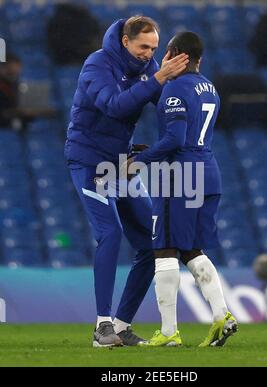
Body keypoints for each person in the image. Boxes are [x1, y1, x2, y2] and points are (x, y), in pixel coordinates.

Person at [64, 16, 189, 347]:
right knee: (110, 232)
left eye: (154, 48)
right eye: (143, 46)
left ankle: (119, 326)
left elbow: (161, 103)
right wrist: (160, 77)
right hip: (89, 161)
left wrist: (187, 88)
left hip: (120, 163)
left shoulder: (146, 69)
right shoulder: (97, 64)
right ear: (125, 41)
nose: (149, 53)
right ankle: (101, 326)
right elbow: (114, 106)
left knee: (153, 243)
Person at [125, 31, 238, 347]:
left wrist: (140, 160)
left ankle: (169, 332)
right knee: (191, 249)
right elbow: (184, 137)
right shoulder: (210, 88)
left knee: (163, 248)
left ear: (175, 53)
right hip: (207, 173)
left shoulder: (173, 88)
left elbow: (175, 139)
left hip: (180, 176)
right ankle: (221, 316)